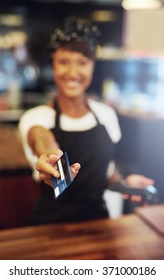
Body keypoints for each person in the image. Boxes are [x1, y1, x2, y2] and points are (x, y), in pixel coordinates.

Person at [18, 16, 154, 225]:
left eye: (82, 62)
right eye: (64, 62)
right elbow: (41, 139)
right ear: (53, 65)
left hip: (99, 223)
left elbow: (106, 174)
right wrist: (51, 159)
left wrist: (125, 183)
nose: (73, 72)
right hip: (51, 227)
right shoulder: (36, 117)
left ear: (93, 66)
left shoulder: (106, 115)